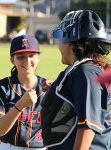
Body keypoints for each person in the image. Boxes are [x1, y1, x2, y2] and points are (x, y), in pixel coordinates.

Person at [41, 10, 111, 150]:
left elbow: (88, 126)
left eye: (61, 37)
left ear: (70, 42)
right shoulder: (83, 70)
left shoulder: (87, 72)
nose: (58, 44)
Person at [0, 35, 50, 150]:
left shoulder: (48, 88)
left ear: (38, 57)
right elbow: (0, 130)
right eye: (21, 57)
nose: (27, 61)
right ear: (12, 60)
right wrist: (20, 104)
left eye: (31, 55)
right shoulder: (0, 88)